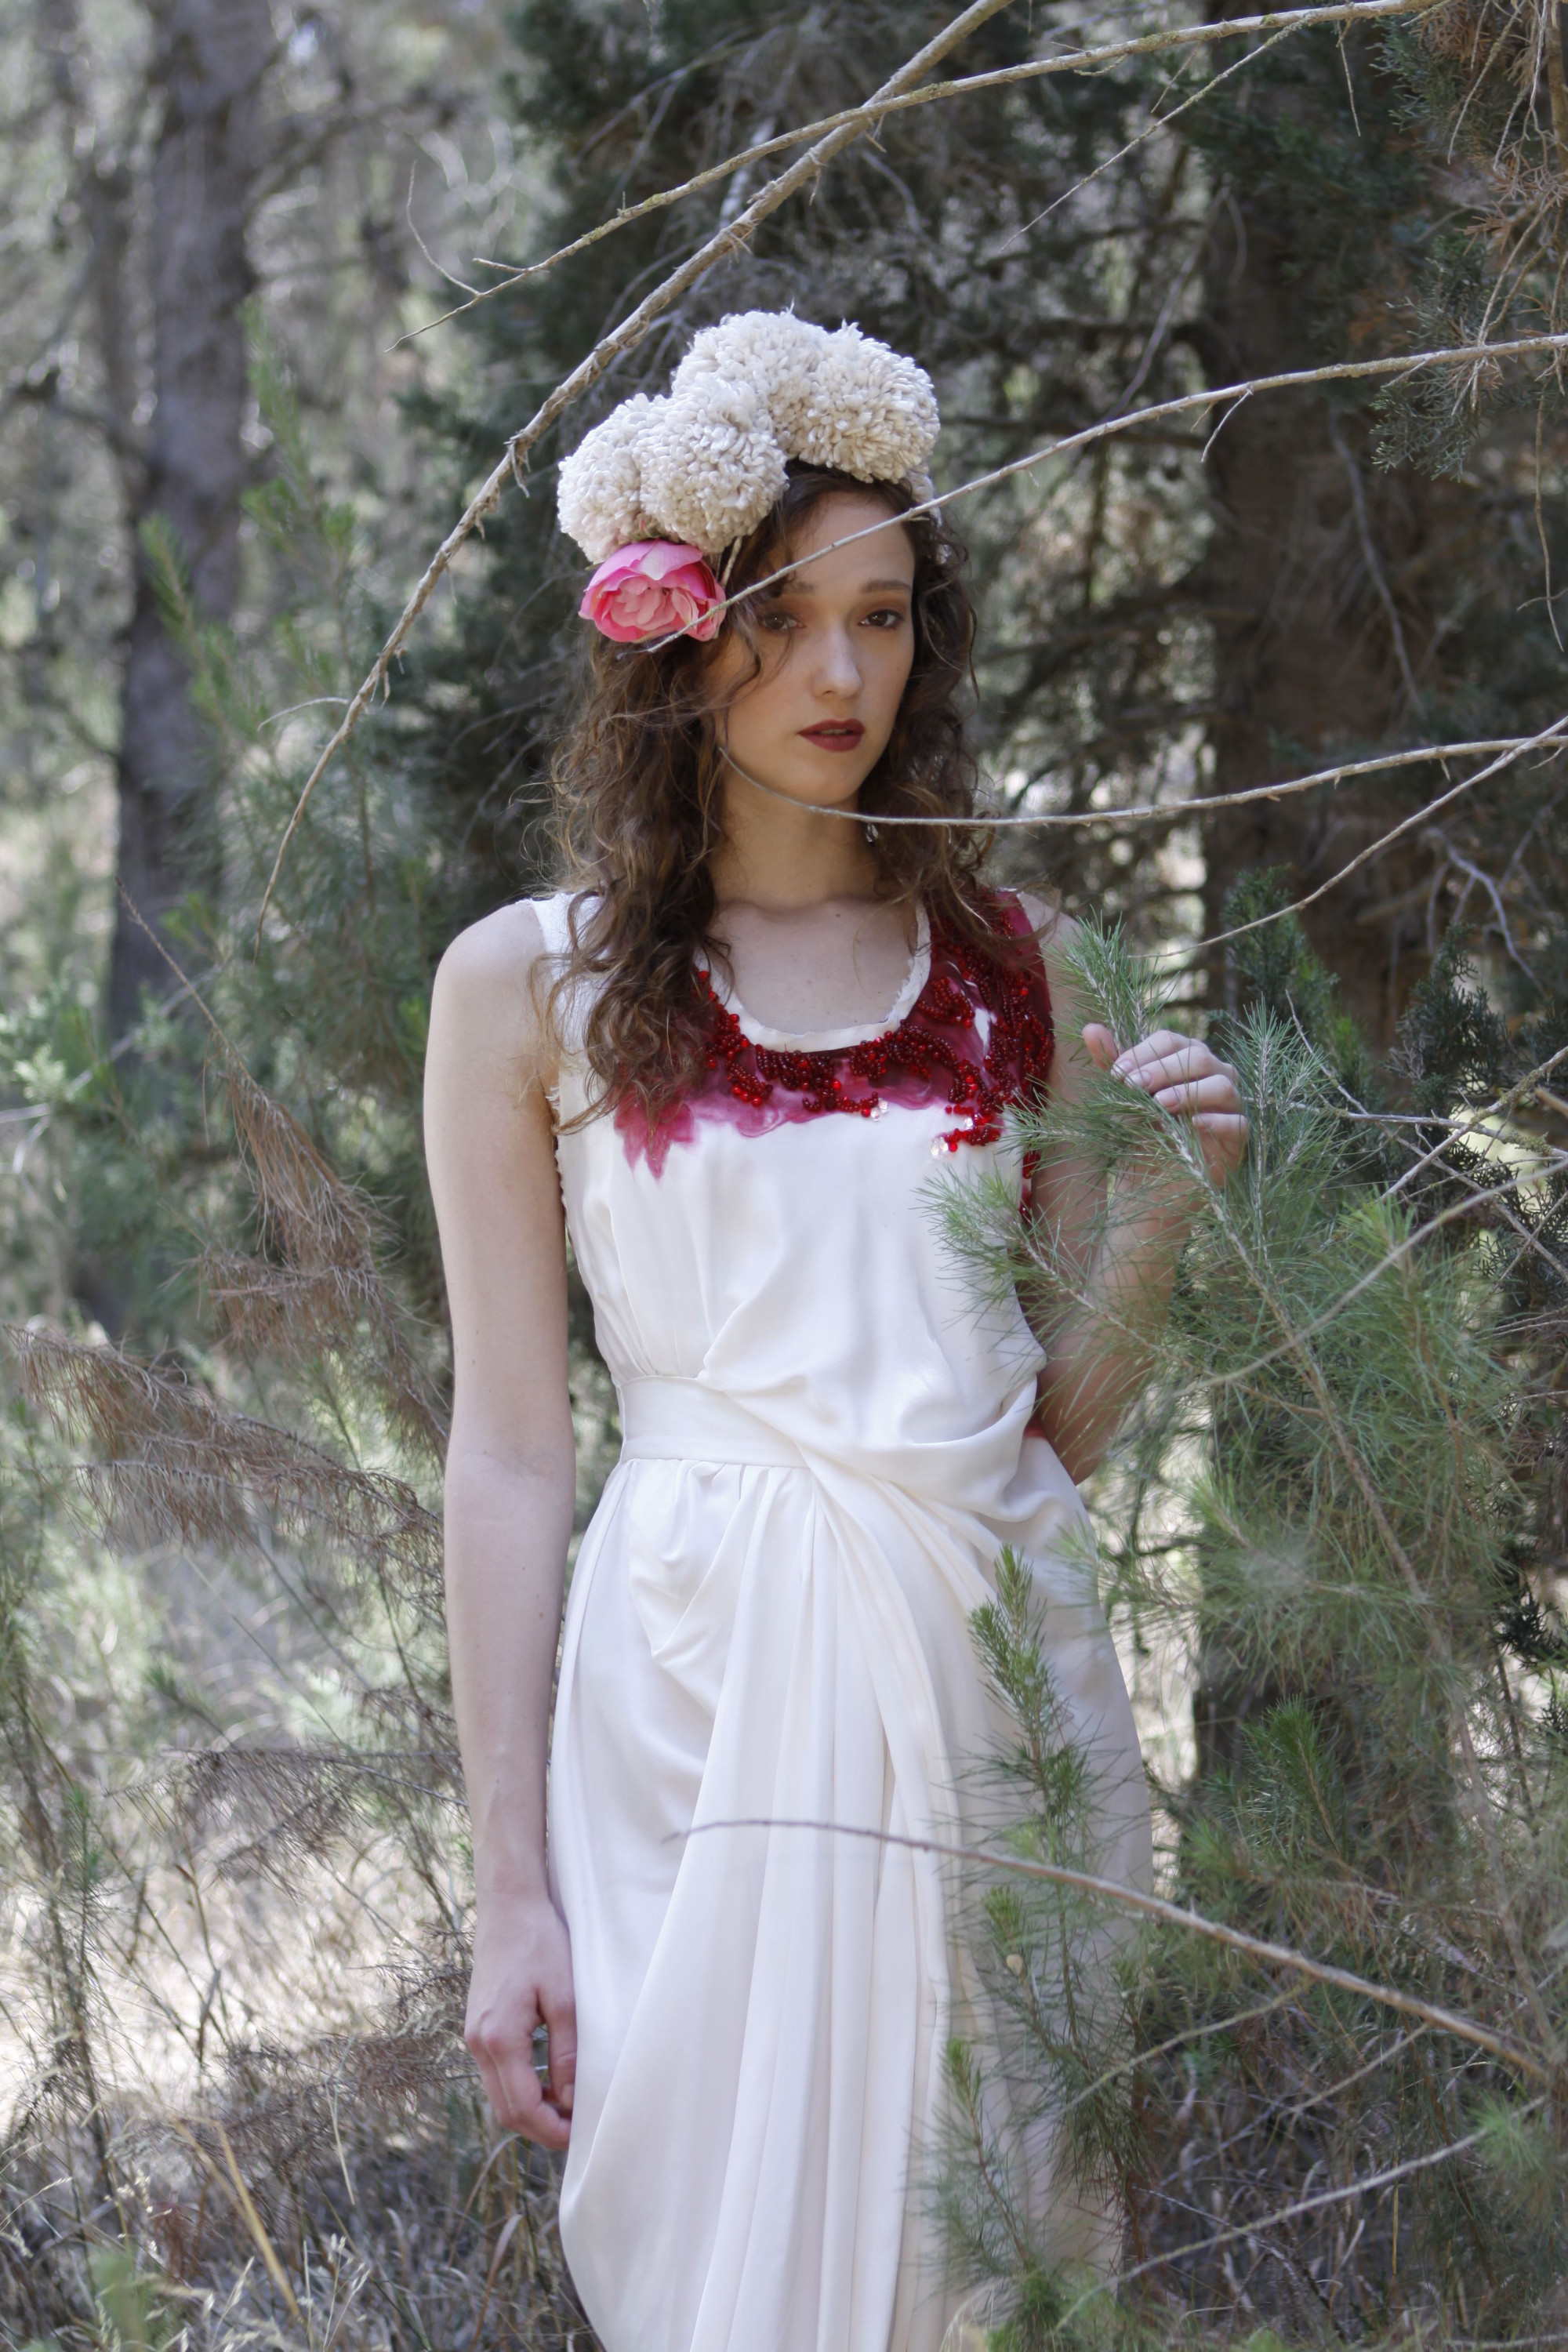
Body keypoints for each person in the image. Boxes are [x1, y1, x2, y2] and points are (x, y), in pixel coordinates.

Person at [423, 313, 1247, 2352]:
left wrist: (1164, 1215)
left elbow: (1046, 1434)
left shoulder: (1019, 968)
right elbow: (513, 1449)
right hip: (688, 1712)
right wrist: (509, 1889)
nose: (840, 676)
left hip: (994, 1696)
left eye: (881, 619)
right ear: (678, 633)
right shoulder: (529, 988)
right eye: (784, 620)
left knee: (990, 2269)